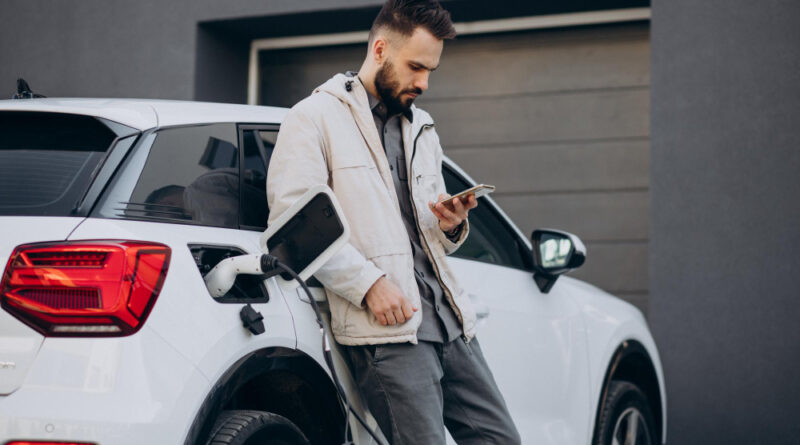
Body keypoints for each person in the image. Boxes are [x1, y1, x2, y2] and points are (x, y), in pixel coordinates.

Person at [266, 1, 520, 443]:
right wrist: (368, 284)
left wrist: (450, 224)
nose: (423, 83)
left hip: (449, 319)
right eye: (416, 67)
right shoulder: (313, 119)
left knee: (500, 439)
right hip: (389, 330)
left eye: (431, 72)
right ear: (380, 49)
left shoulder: (422, 127)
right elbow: (295, 225)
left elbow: (422, 230)